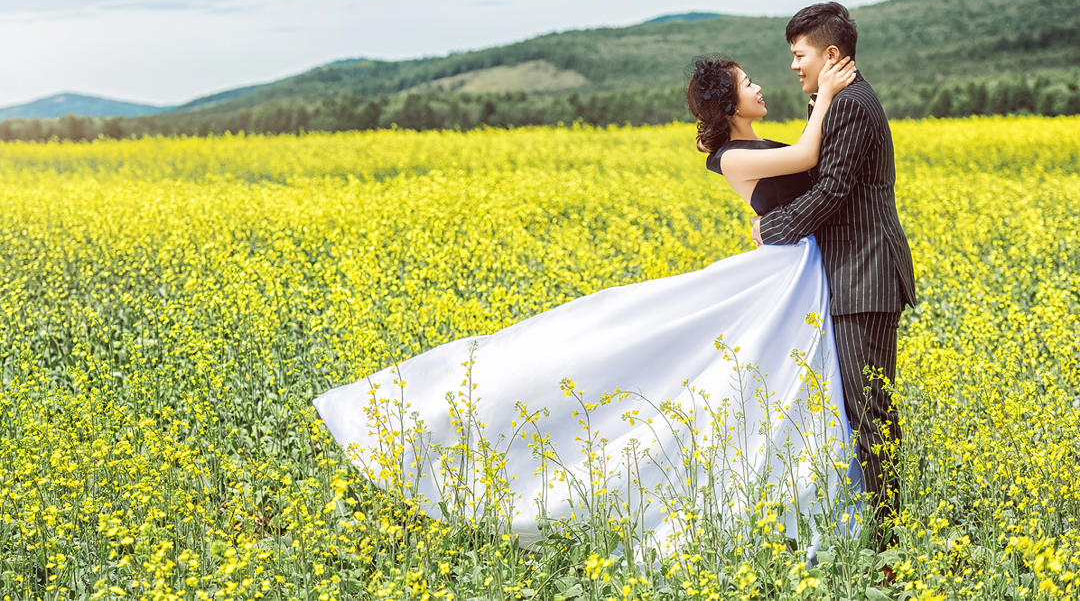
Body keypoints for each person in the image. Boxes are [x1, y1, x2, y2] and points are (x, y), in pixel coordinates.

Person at [312, 54, 861, 561]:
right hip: (781, 274)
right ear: (727, 102)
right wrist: (830, 94)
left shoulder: (758, 142)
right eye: (747, 82)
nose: (760, 85)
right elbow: (809, 157)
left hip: (795, 269)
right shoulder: (732, 156)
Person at [749, 2, 918, 553]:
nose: (794, 66)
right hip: (856, 273)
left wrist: (770, 228)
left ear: (831, 55)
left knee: (870, 413)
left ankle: (887, 547)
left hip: (865, 275)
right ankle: (875, 537)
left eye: (800, 56)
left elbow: (832, 190)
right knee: (864, 410)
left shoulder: (848, 105)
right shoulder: (839, 100)